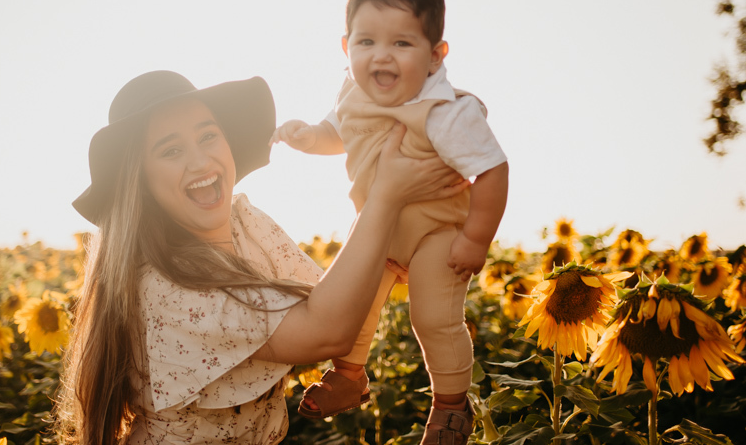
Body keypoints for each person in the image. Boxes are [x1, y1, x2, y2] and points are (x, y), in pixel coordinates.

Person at [56, 70, 465, 444]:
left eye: (208, 136)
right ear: (139, 182)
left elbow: (328, 299)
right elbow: (327, 331)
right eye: (170, 151)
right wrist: (385, 196)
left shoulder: (245, 222)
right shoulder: (166, 286)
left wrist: (395, 249)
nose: (200, 161)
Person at [271, 0, 509, 444]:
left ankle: (450, 408)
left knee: (433, 318)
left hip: (436, 235)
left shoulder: (446, 112)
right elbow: (339, 133)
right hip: (377, 230)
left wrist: (475, 238)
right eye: (367, 42)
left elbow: (492, 169)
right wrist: (309, 137)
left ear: (436, 56)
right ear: (346, 47)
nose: (382, 56)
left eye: (402, 43)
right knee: (351, 301)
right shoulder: (354, 94)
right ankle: (350, 375)